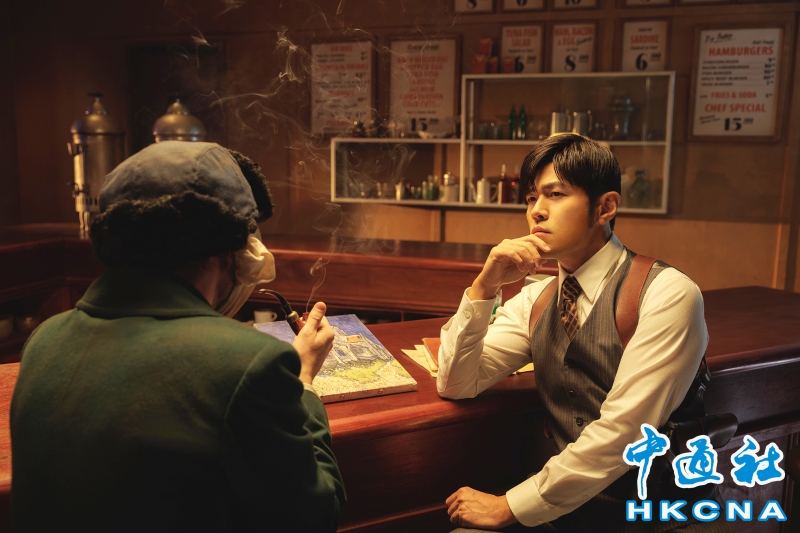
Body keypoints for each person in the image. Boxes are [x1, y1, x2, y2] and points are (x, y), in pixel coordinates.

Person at [10, 141, 346, 532]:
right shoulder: (249, 363)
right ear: (232, 254)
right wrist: (303, 381)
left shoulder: (44, 340)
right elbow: (315, 517)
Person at [438, 134, 729, 532]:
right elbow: (456, 383)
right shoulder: (536, 299)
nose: (536, 211)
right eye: (531, 199)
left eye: (555, 195)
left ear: (605, 207)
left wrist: (509, 506)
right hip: (571, 516)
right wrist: (483, 288)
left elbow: (626, 432)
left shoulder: (667, 293)